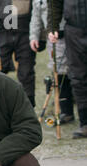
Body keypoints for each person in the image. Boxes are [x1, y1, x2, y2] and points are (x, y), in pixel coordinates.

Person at [0, 0, 37, 107]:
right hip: (2, 30)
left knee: (27, 71)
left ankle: (28, 107)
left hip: (24, 30)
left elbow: (38, 6)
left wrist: (41, 35)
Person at [29, 0, 74, 124]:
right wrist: (34, 37)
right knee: (59, 72)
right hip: (54, 39)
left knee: (76, 72)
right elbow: (36, 16)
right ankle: (66, 111)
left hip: (72, 33)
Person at [48, 0, 87, 138]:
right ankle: (85, 123)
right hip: (74, 31)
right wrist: (53, 27)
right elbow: (54, 4)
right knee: (78, 77)